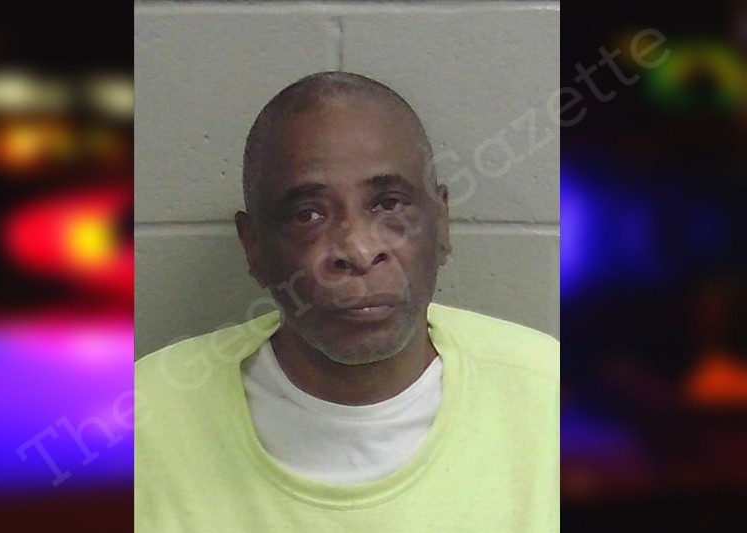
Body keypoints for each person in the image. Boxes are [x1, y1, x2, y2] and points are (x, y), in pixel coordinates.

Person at [135, 71, 558, 532]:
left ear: (441, 223)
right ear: (253, 246)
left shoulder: (553, 402)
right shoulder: (141, 422)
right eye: (307, 214)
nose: (358, 250)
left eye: (389, 204)